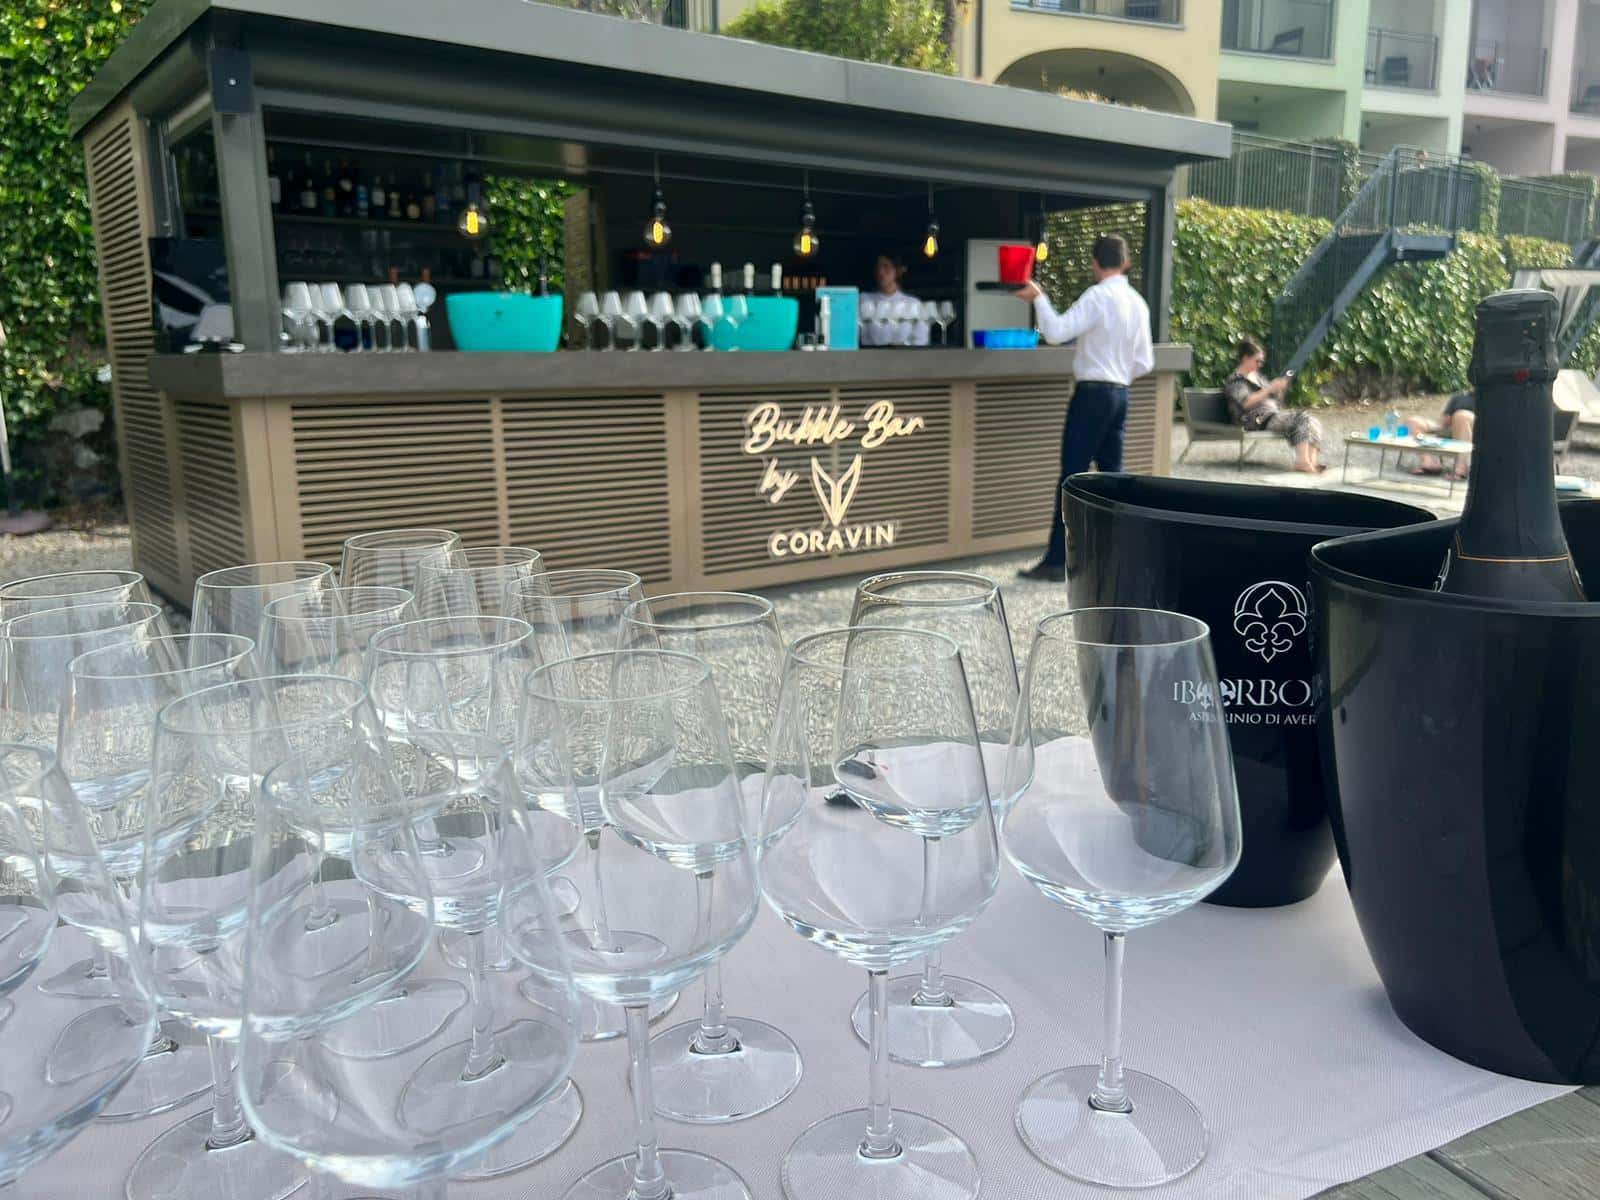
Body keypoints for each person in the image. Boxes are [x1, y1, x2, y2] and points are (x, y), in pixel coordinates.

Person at [1013, 233, 1153, 583]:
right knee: (1113, 481)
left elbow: (1057, 332)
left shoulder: (1098, 296)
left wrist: (1039, 298)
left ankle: (1057, 561)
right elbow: (1145, 362)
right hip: (1121, 395)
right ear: (1126, 262)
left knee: (1072, 477)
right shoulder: (1138, 303)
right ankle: (1117, 559)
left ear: (1094, 263)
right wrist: (1118, 378)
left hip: (1092, 395)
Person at [1222, 338, 1325, 474]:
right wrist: (1270, 388)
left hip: (1269, 415)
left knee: (1313, 421)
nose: (1260, 364)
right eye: (1257, 361)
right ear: (1245, 358)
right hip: (1254, 420)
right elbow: (1246, 402)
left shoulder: (1257, 377)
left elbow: (1271, 397)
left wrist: (1279, 389)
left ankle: (1311, 462)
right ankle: (1302, 462)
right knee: (1301, 417)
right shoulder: (1236, 380)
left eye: (1261, 361)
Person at [860, 253, 930, 347]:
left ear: (897, 270)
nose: (881, 272)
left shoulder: (913, 304)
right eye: (878, 268)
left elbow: (921, 339)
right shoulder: (863, 300)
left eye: (886, 267)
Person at [1413, 390, 1474, 479]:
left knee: (1461, 416)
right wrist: (1446, 421)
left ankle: (1461, 467)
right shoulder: (1460, 396)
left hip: (1478, 432)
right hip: (1451, 429)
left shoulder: (1493, 398)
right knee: (1414, 421)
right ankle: (1429, 462)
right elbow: (1444, 421)